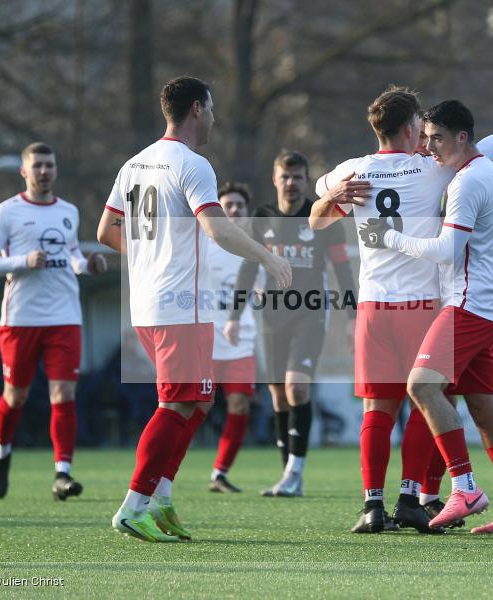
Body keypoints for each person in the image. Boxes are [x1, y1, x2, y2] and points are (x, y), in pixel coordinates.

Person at [311, 86, 493, 533]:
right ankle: (413, 496)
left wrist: (332, 193)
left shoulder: (352, 172)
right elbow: (473, 153)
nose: (427, 141)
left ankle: (372, 504)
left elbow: (316, 218)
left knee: (378, 409)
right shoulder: (430, 171)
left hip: (374, 304)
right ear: (412, 127)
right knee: (427, 401)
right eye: (422, 130)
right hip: (424, 305)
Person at [97, 76, 291, 543]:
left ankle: (161, 499)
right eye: (213, 108)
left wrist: (149, 256)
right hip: (176, 303)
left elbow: (106, 231)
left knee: (200, 399)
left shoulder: (134, 164)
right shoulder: (192, 163)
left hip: (151, 301)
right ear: (198, 109)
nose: (216, 118)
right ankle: (133, 505)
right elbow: (218, 230)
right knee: (177, 402)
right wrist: (266, 255)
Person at [0, 141, 108, 501]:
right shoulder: (6, 212)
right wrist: (21, 261)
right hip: (20, 318)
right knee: (14, 397)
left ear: (56, 170)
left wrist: (88, 265)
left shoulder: (69, 211)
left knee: (63, 394)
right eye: (38, 166)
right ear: (24, 171)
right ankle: (2, 454)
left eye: (50, 165)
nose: (44, 172)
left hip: (65, 316)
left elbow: (72, 255)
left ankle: (62, 474)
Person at [227, 151, 356, 498]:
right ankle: (288, 475)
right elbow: (248, 269)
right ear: (275, 179)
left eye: (298, 177)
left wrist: (352, 316)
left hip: (310, 314)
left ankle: (294, 473)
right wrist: (235, 316)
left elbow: (343, 270)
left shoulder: (323, 218)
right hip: (271, 316)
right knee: (278, 397)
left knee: (296, 388)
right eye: (285, 176)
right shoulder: (262, 218)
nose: (291, 183)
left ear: (305, 180)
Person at [207, 181, 261, 493]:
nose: (234, 210)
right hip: (207, 340)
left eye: (239, 205)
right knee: (195, 406)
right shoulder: (205, 244)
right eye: (228, 205)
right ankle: (165, 468)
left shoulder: (254, 249)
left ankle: (220, 473)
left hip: (242, 340)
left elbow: (268, 285)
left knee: (239, 404)